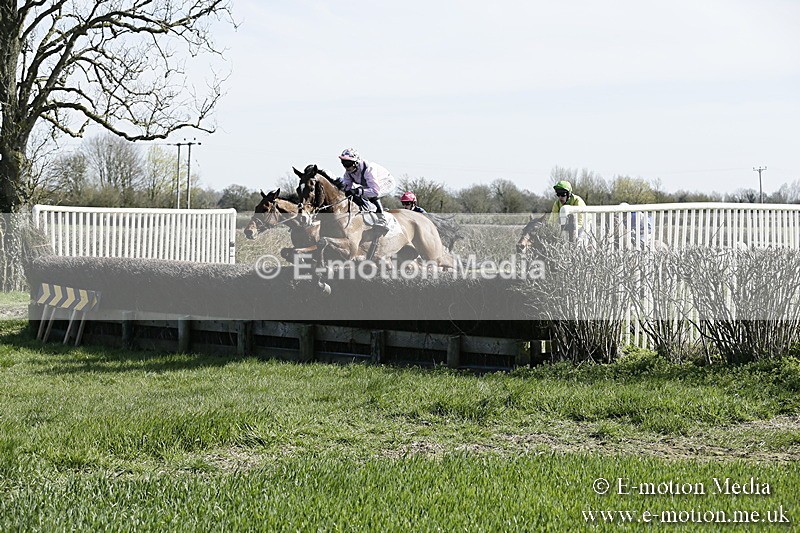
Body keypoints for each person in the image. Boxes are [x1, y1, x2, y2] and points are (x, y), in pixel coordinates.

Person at [338, 148, 396, 227]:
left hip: (386, 182)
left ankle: (382, 219)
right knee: (355, 194)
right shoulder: (348, 173)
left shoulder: (368, 169)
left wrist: (357, 191)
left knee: (369, 194)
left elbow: (375, 191)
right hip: (371, 185)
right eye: (343, 162)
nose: (346, 166)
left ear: (355, 162)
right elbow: (346, 187)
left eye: (348, 163)